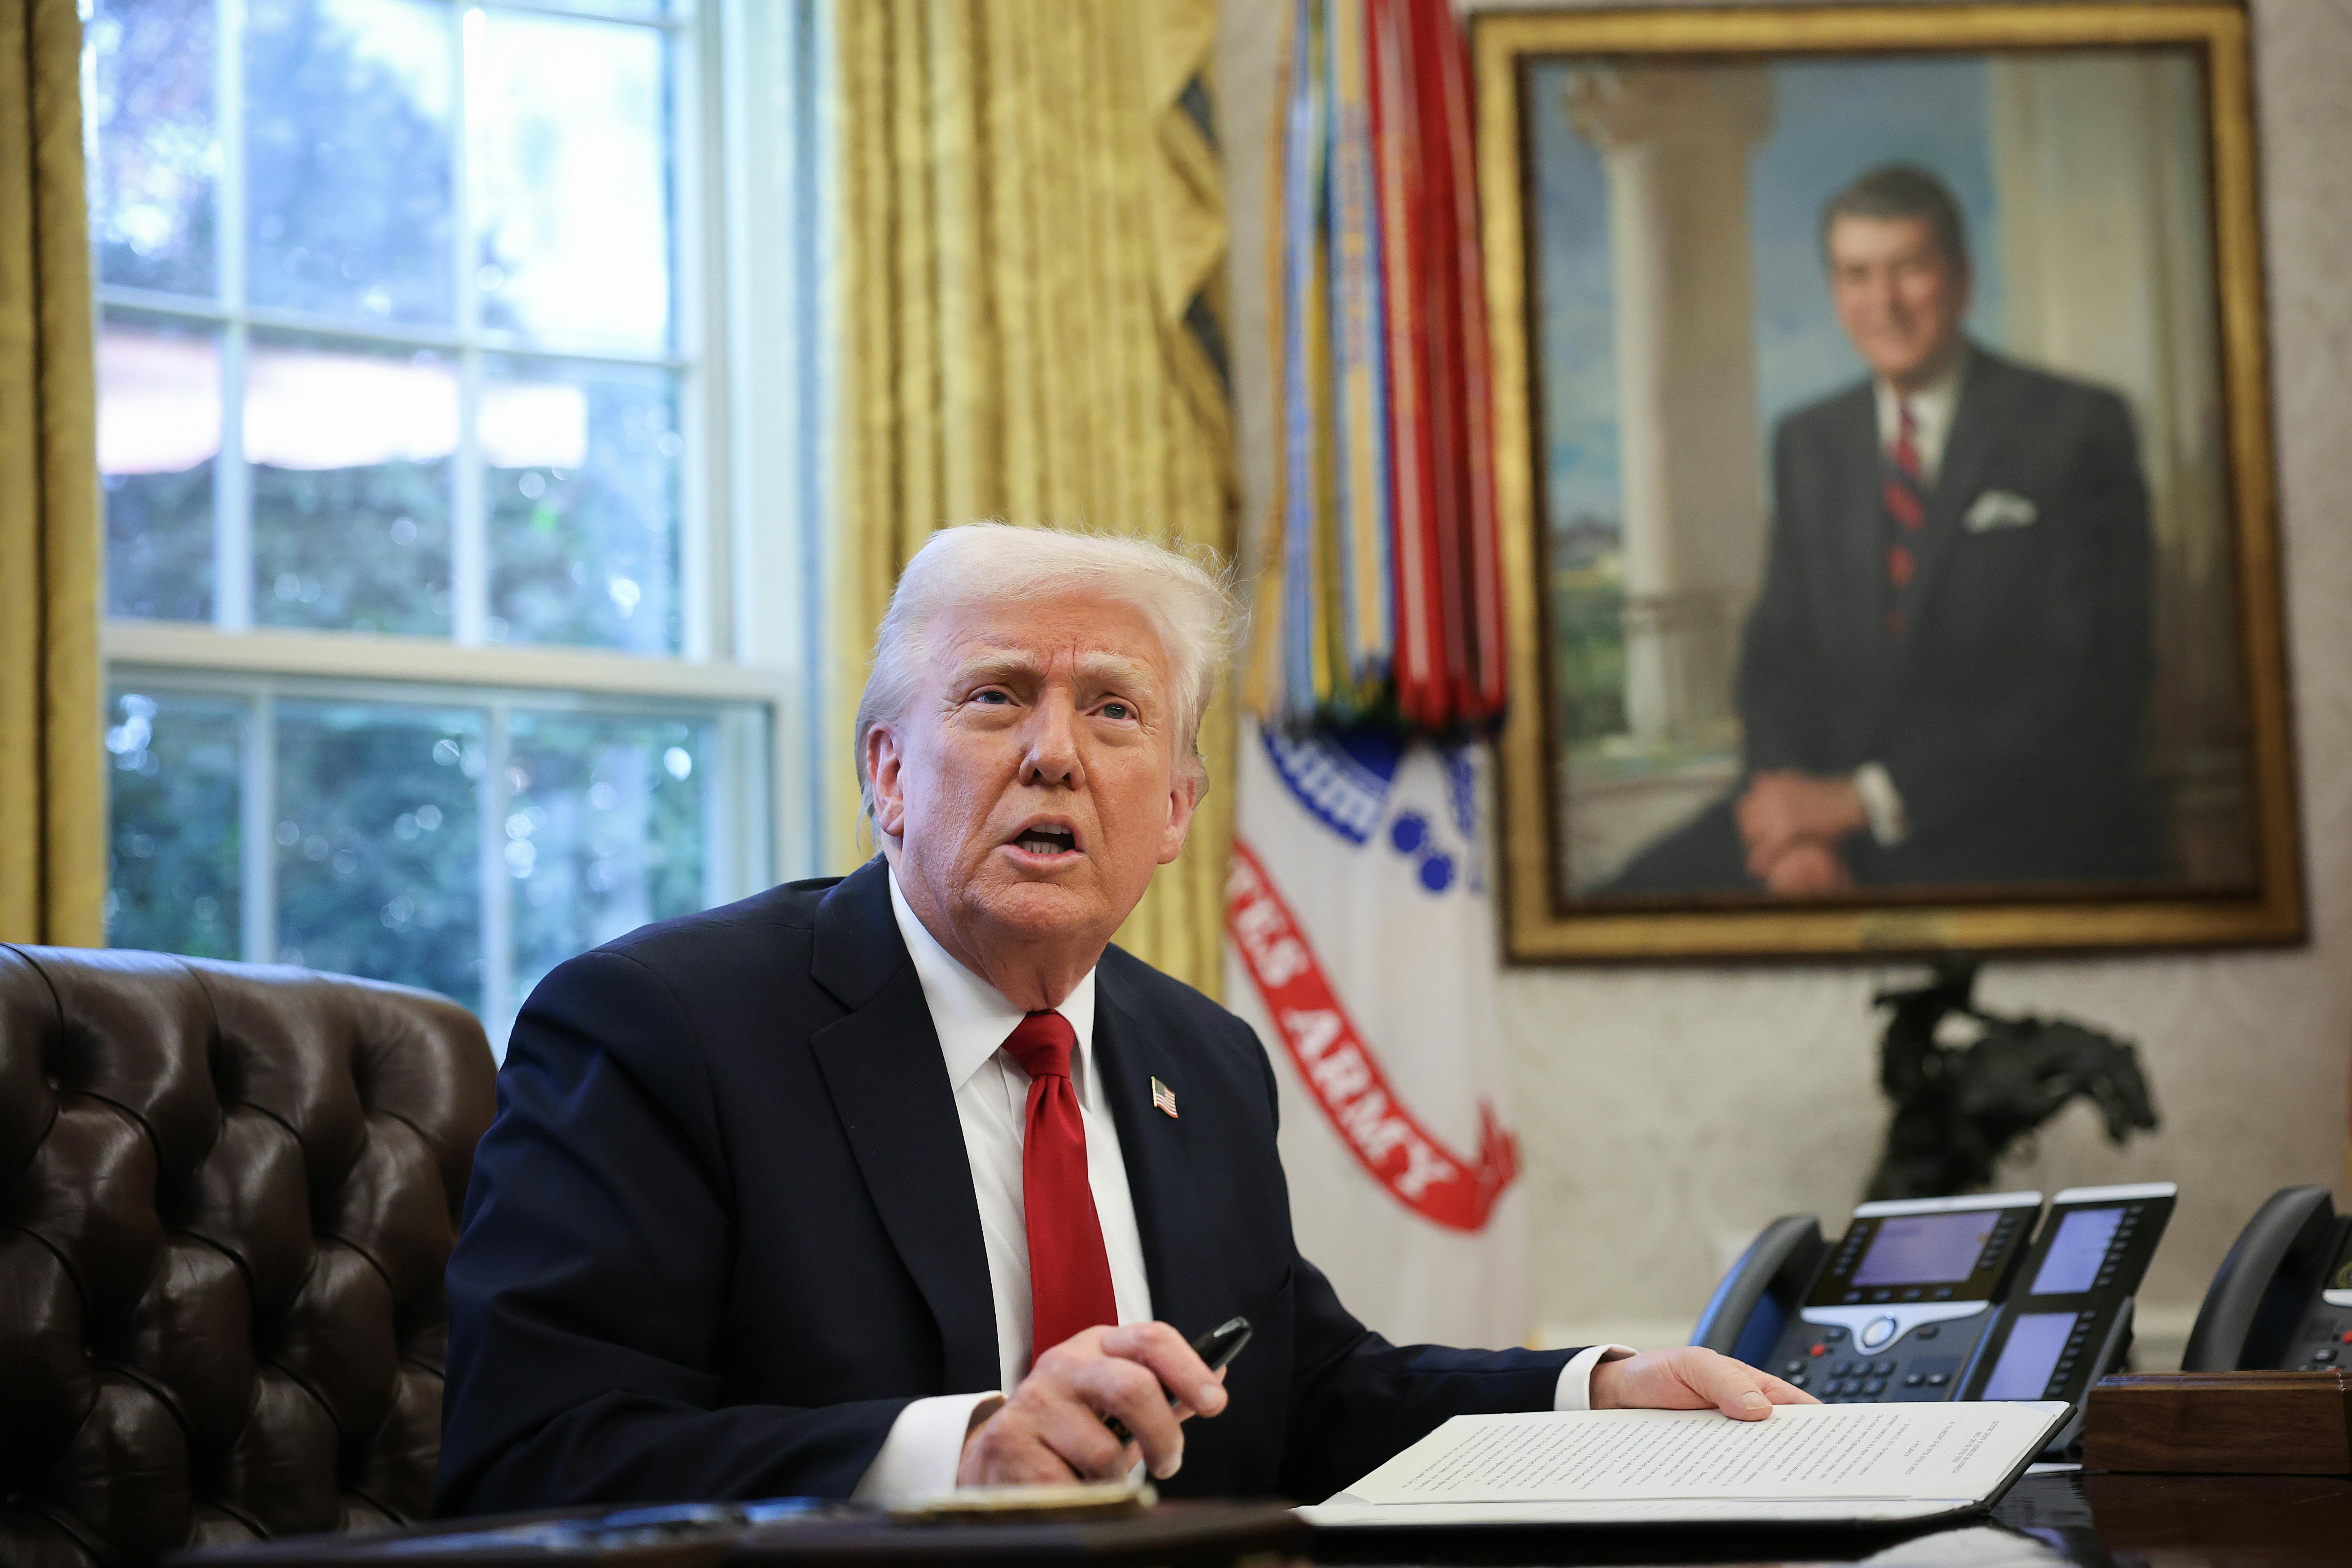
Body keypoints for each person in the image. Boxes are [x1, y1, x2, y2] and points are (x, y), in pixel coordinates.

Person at [436, 524, 1810, 1513]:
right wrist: (956, 1452)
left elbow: (1307, 1395)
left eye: (1112, 709)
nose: (1054, 751)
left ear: (1172, 814)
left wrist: (1594, 1392)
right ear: (888, 774)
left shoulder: (1201, 1059)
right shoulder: (660, 1028)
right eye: (995, 697)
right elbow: (532, 1457)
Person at [1608, 164, 2156, 896]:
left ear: (1960, 280)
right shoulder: (1809, 440)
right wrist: (1791, 830)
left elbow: (2093, 687)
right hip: (1818, 827)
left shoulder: (2071, 430)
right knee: (1623, 903)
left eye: (1907, 270)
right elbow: (1775, 660)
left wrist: (1866, 801)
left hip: (2000, 830)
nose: (1882, 303)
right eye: (1855, 275)